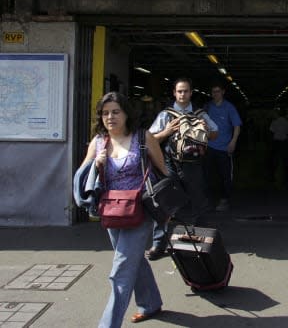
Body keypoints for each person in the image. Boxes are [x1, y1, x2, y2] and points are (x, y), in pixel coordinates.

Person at [81, 92, 168, 327]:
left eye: (116, 111)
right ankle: (150, 303)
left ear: (127, 113)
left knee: (121, 270)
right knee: (134, 260)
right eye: (105, 112)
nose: (110, 117)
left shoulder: (143, 138)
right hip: (111, 213)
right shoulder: (98, 142)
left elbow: (164, 172)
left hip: (140, 214)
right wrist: (95, 164)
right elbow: (81, 179)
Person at [146, 78, 218, 260]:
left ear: (191, 93)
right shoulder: (165, 115)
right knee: (165, 203)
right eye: (179, 91)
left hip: (194, 165)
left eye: (186, 91)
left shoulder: (201, 114)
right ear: (174, 93)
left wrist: (205, 130)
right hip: (169, 164)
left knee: (199, 203)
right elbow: (150, 140)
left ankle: (200, 241)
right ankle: (158, 245)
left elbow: (215, 134)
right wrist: (166, 131)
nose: (183, 94)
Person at [203, 81, 242, 211]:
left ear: (223, 92)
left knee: (224, 176)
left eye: (218, 91)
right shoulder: (207, 107)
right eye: (213, 92)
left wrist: (233, 141)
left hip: (224, 148)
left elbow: (237, 126)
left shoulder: (229, 107)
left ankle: (224, 200)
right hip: (209, 147)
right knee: (207, 175)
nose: (215, 94)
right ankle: (207, 201)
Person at [269, 108, 288, 186]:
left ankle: (272, 176)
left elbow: (271, 132)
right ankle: (286, 178)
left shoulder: (274, 121)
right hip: (284, 143)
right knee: (285, 160)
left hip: (276, 143)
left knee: (274, 159)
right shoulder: (286, 122)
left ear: (278, 114)